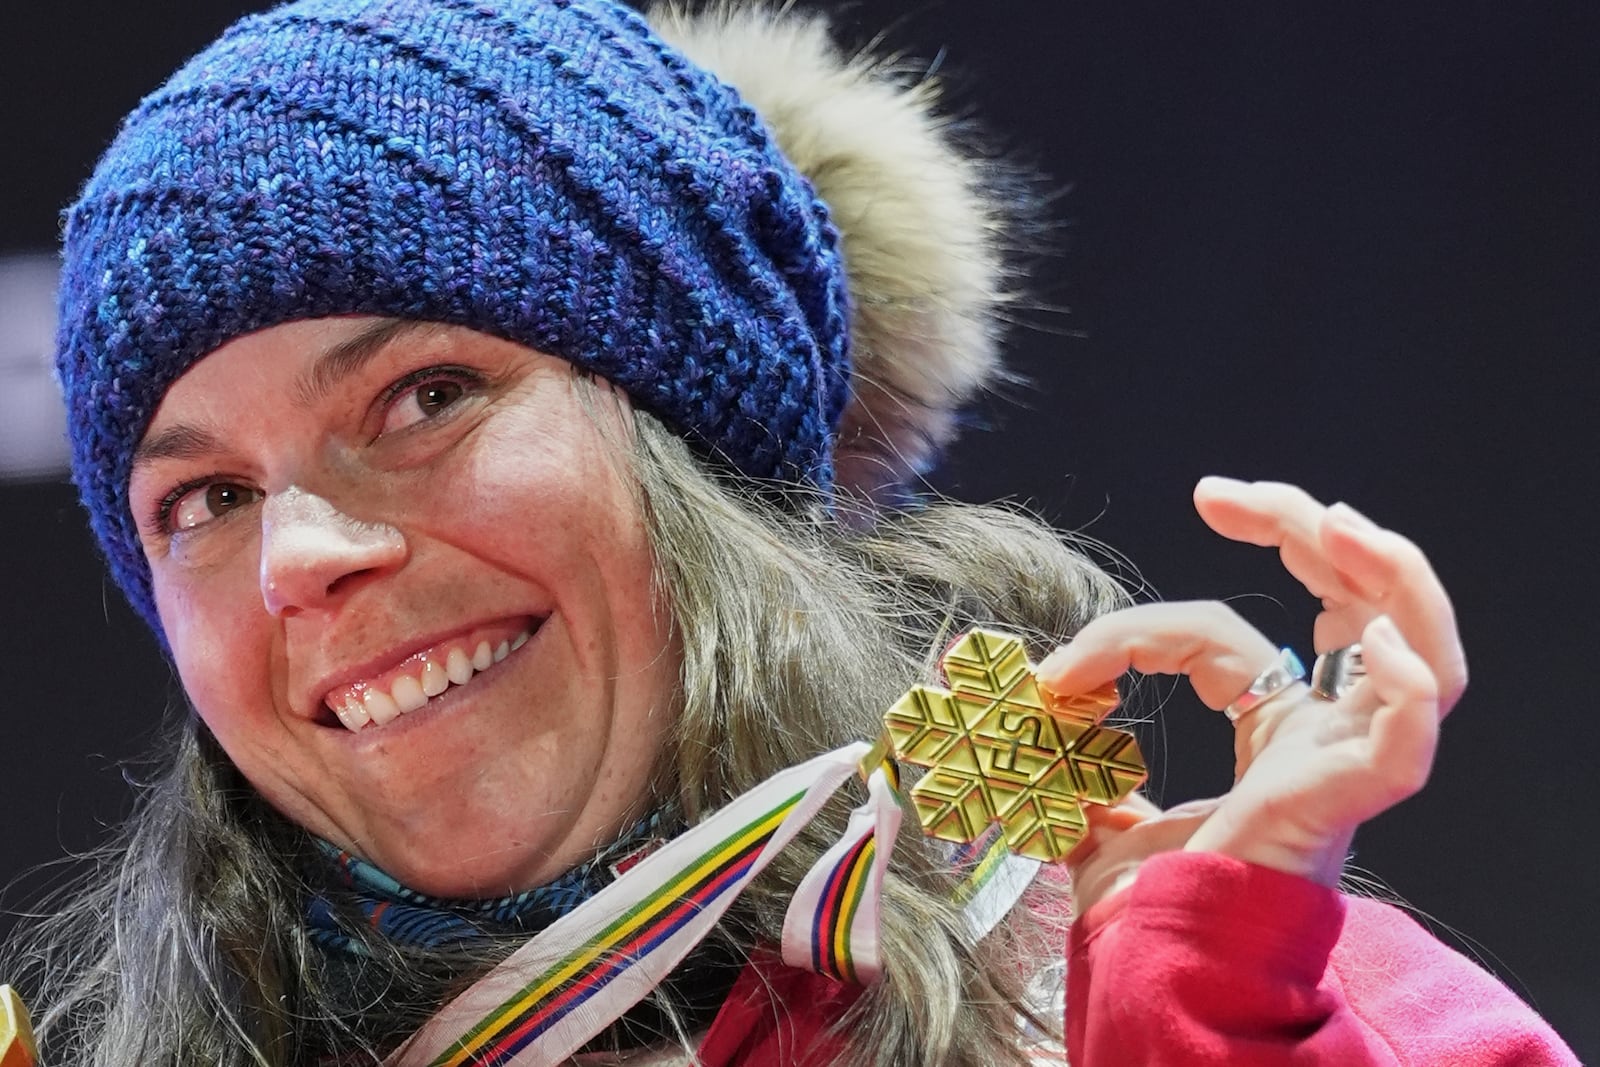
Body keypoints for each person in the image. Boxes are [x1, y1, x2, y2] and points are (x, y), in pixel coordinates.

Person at [10, 0, 1578, 1064]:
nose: (298, 557)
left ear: (695, 443)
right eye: (203, 497)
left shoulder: (1239, 986)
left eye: (427, 395)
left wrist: (1205, 1012)